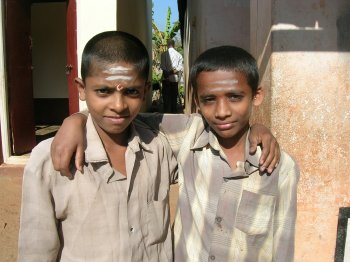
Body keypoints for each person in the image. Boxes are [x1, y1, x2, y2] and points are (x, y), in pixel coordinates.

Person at [50, 47, 287, 261]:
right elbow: (122, 117)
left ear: (256, 96)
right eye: (209, 99)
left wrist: (258, 127)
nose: (222, 111)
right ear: (197, 101)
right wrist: (76, 119)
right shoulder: (190, 134)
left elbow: (283, 242)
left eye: (234, 97)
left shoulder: (281, 167)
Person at [18, 31, 177, 261]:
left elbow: (208, 127)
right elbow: (36, 251)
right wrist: (77, 118)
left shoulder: (158, 147)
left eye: (131, 91)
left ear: (145, 90)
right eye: (104, 91)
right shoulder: (49, 159)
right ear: (81, 89)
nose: (118, 105)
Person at [160, 39, 183, 113]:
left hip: (166, 79)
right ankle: (174, 115)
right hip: (174, 79)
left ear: (167, 45)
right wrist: (172, 72)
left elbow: (163, 68)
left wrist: (167, 74)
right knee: (174, 99)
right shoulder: (179, 55)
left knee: (166, 99)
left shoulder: (163, 54)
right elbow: (180, 68)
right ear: (174, 45)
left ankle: (166, 116)